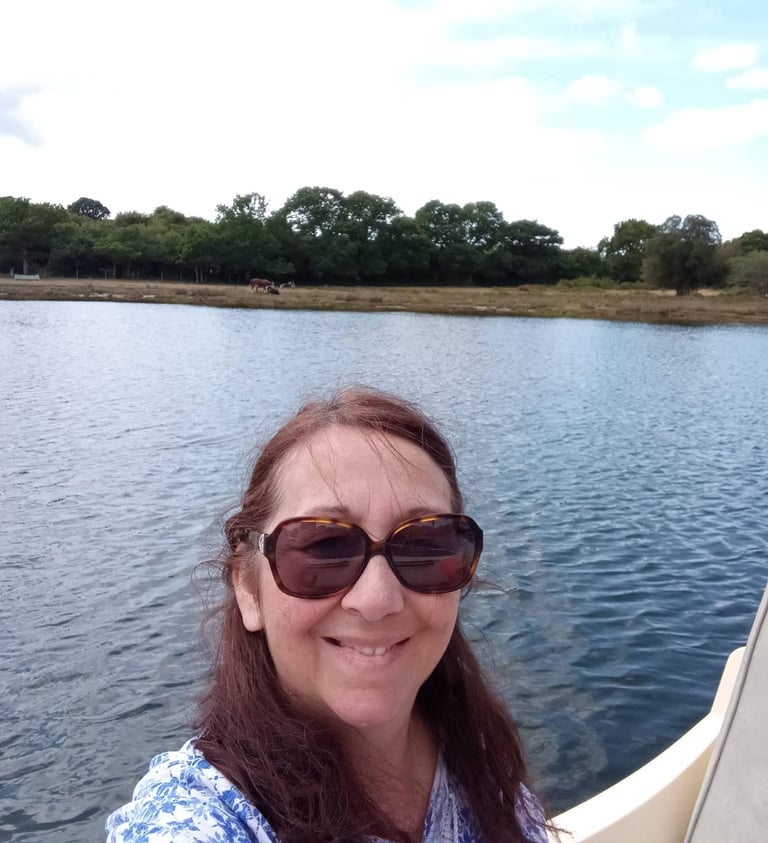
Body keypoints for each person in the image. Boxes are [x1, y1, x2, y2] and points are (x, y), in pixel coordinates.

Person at [106, 386, 551, 843]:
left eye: (424, 545)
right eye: (323, 547)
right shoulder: (199, 816)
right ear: (247, 587)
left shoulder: (473, 754)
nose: (377, 599)